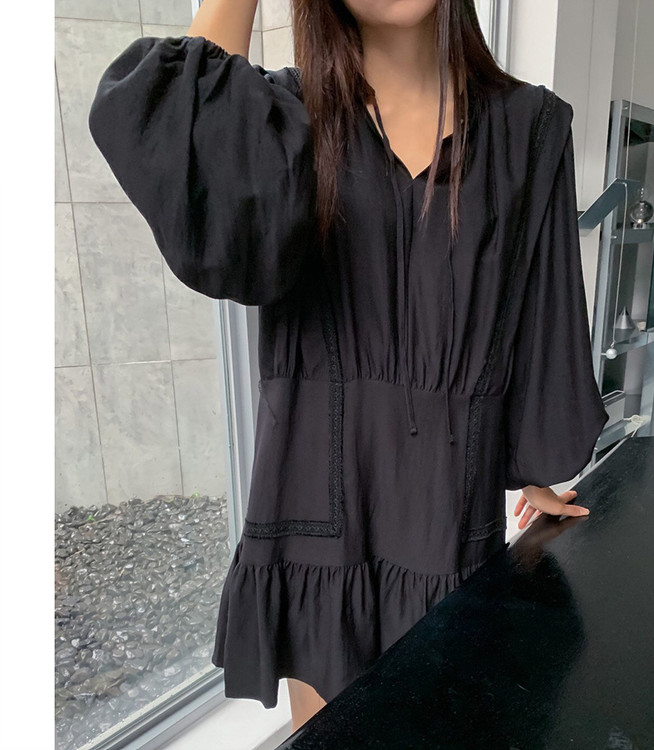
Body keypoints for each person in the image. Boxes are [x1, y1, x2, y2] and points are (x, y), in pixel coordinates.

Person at [88, 0, 609, 733]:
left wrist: (532, 463)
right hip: (315, 534)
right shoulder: (281, 123)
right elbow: (177, 132)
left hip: (446, 522)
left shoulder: (532, 129)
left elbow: (538, 310)